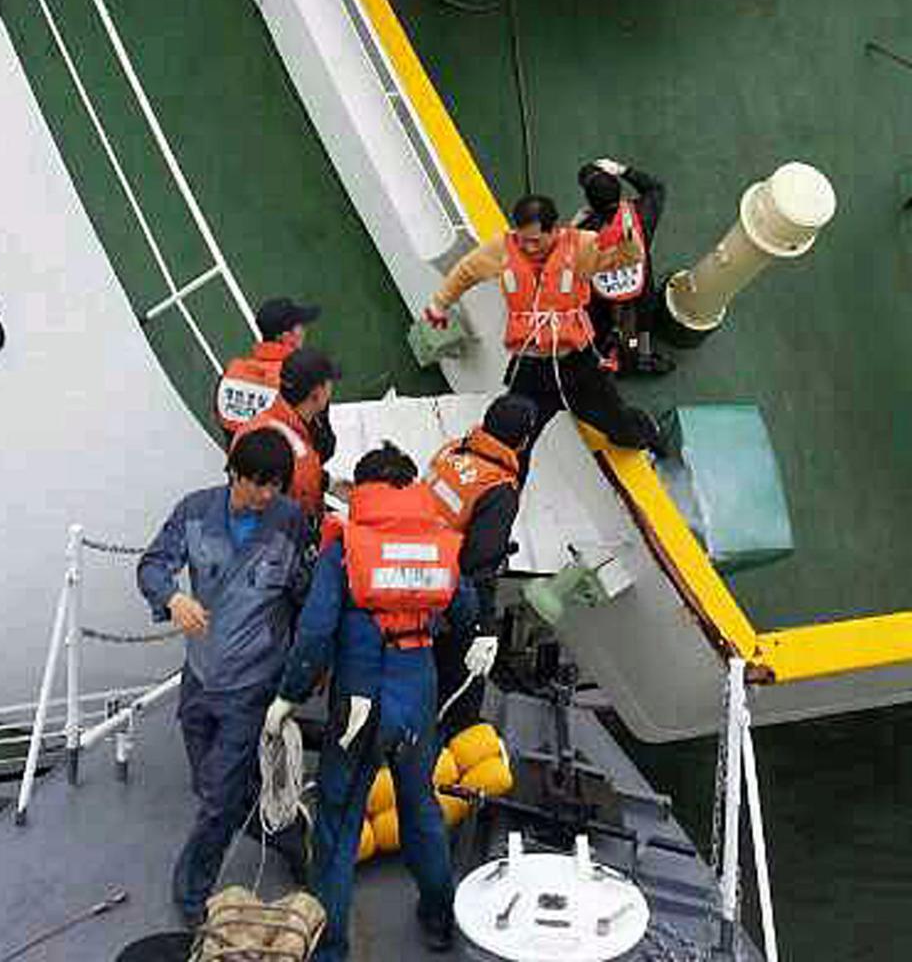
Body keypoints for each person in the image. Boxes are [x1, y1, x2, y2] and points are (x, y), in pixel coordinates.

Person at [265, 444, 487, 959]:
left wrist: (289, 696)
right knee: (420, 805)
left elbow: (316, 631)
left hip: (361, 699)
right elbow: (466, 607)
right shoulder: (438, 541)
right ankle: (438, 918)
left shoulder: (345, 548)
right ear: (408, 486)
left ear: (363, 489)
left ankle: (330, 947)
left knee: (339, 822)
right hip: (418, 688)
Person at [136, 428, 308, 927]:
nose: (268, 495)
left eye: (276, 485)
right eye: (259, 484)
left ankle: (191, 894)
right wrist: (173, 598)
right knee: (212, 784)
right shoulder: (193, 512)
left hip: (253, 683)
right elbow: (152, 565)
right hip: (200, 675)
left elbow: (304, 595)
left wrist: (300, 674)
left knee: (216, 797)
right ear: (233, 473)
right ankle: (291, 835)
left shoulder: (290, 522)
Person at [424, 194, 673, 479]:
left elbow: (629, 258)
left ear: (555, 230)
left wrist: (628, 238)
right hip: (532, 366)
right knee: (515, 442)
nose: (528, 247)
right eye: (522, 240)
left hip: (577, 364)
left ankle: (647, 431)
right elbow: (467, 271)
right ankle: (504, 493)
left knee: (617, 423)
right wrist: (439, 305)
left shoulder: (582, 245)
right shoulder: (503, 250)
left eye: (535, 240)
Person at [426, 394, 537, 736]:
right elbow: (481, 566)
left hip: (415, 560)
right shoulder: (499, 490)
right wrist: (484, 630)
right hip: (444, 589)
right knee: (466, 669)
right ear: (522, 441)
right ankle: (455, 734)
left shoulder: (452, 451)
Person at [574, 158, 675, 376]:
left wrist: (574, 224)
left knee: (599, 328)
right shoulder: (641, 214)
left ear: (590, 202)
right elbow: (656, 187)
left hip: (602, 301)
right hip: (640, 294)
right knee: (641, 323)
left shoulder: (584, 232)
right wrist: (623, 170)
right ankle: (641, 357)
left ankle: (603, 357)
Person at [232, 347, 340, 520]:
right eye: (329, 384)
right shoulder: (302, 462)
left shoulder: (251, 427)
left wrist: (329, 483)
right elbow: (305, 518)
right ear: (317, 394)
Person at [215, 297, 321, 443]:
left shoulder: (230, 372)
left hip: (239, 458)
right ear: (286, 337)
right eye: (300, 326)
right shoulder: (302, 380)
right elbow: (323, 445)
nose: (304, 330)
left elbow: (224, 421)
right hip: (286, 462)